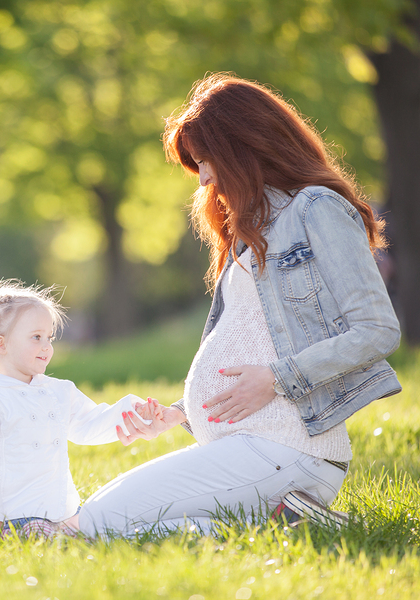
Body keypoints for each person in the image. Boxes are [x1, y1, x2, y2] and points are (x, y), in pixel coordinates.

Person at [78, 74, 402, 538]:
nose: (204, 177)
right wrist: (183, 413)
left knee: (93, 522)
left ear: (243, 146)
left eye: (207, 160)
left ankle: (287, 516)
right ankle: (287, 525)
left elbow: (377, 330)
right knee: (124, 528)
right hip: (254, 448)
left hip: (291, 448)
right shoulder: (248, 231)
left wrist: (277, 379)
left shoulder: (316, 209)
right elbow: (256, 337)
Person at [0, 279, 156, 538]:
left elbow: (90, 423)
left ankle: (73, 530)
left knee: (111, 525)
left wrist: (133, 412)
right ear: (1, 345)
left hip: (65, 511)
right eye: (36, 338)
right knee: (44, 535)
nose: (47, 347)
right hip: (16, 517)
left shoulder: (59, 391)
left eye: (49, 338)